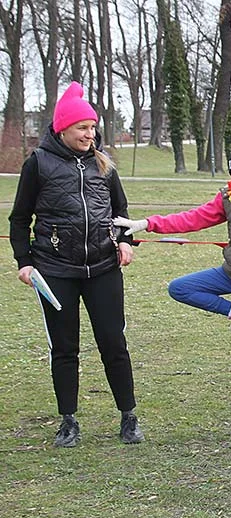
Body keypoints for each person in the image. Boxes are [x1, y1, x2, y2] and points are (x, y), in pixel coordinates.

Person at [113, 136, 231, 439]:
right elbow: (192, 218)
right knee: (180, 288)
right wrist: (148, 223)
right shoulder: (228, 199)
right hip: (230, 274)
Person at [8, 81, 144, 447]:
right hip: (54, 270)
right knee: (64, 347)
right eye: (83, 128)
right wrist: (24, 262)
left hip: (102, 267)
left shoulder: (104, 163)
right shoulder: (38, 163)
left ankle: (128, 416)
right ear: (63, 128)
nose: (90, 134)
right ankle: (68, 420)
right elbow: (20, 220)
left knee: (113, 341)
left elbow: (121, 212)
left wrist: (126, 242)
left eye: (93, 127)